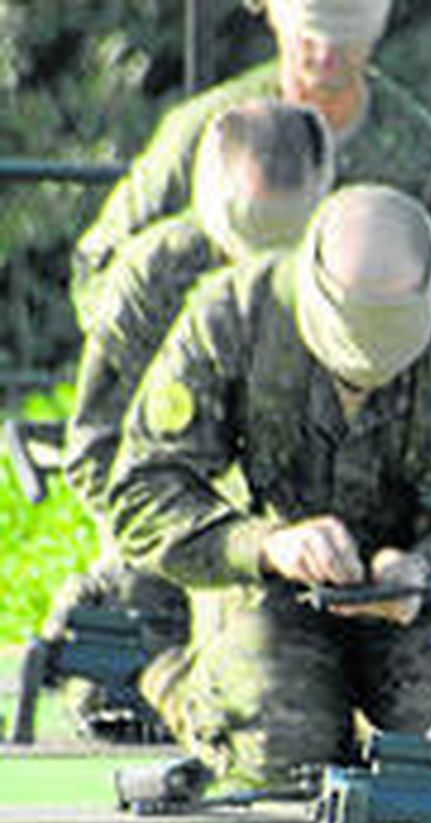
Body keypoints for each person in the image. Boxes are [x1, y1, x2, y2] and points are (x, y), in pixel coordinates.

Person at [106, 184, 431, 789]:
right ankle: (171, 673)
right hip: (267, 590)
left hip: (423, 602)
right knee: (281, 751)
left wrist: (426, 570)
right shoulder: (234, 315)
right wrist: (268, 546)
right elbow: (142, 491)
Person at [44, 98, 335, 739]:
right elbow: (97, 453)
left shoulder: (342, 268)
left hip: (307, 527)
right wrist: (208, 540)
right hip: (180, 531)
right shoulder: (153, 279)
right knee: (119, 704)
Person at [73, 0, 431, 328]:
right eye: (309, 34)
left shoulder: (424, 159)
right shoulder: (208, 134)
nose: (325, 54)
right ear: (272, 15)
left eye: (345, 36)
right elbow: (100, 269)